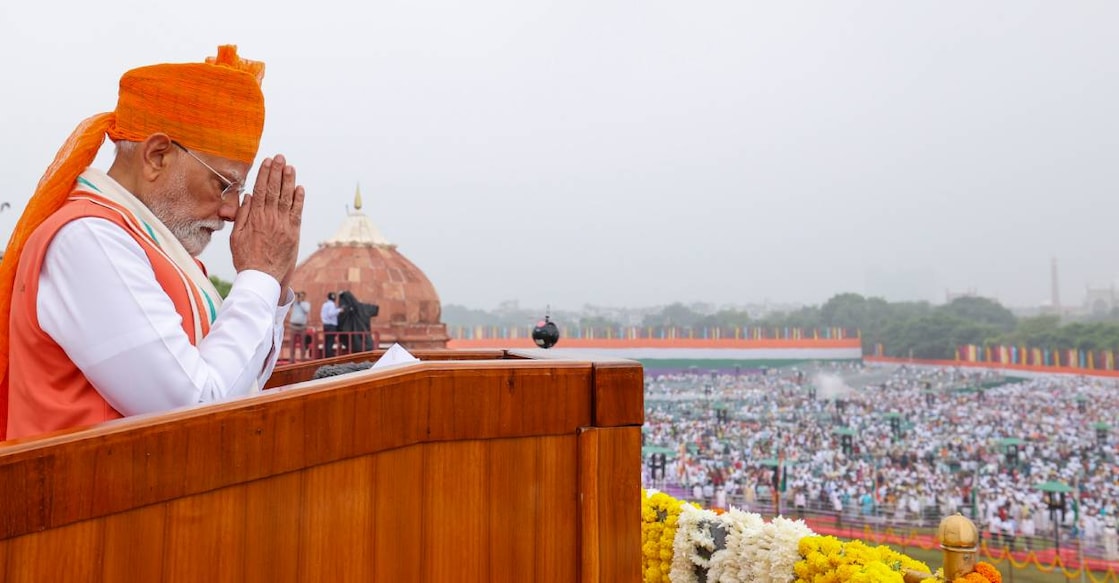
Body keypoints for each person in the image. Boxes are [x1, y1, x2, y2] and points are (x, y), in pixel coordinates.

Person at [0, 45, 305, 440]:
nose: (232, 211)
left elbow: (235, 382)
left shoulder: (154, 247)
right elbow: (194, 409)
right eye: (224, 184)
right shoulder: (89, 240)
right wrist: (259, 276)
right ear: (157, 156)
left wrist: (274, 280)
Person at [289, 291, 311, 358]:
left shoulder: (306, 304)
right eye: (299, 296)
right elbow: (289, 303)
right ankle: (292, 359)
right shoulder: (295, 303)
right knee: (292, 343)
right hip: (293, 326)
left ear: (304, 296)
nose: (300, 297)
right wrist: (294, 295)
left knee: (303, 343)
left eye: (301, 296)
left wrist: (300, 302)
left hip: (302, 327)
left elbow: (306, 310)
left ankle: (302, 358)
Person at [321, 292, 341, 358]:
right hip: (331, 325)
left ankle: (326, 356)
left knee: (326, 342)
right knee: (330, 342)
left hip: (325, 325)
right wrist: (339, 310)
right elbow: (331, 313)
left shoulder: (324, 304)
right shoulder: (332, 304)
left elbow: (322, 314)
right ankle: (329, 357)